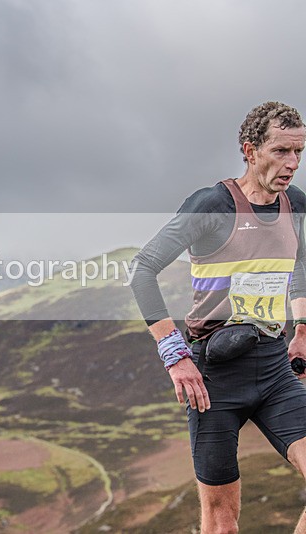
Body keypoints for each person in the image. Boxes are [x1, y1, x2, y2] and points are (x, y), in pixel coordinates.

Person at [130, 101, 306, 532]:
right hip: (215, 378)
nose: (293, 163)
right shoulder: (212, 204)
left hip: (274, 368)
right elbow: (141, 270)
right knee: (221, 520)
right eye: (281, 151)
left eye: (299, 152)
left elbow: (301, 264)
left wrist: (301, 329)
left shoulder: (295, 203)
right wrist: (175, 355)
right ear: (250, 150)